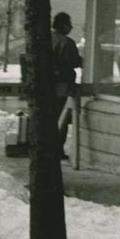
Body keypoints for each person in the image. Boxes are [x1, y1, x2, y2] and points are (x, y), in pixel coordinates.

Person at [52, 11, 82, 160]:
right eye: (69, 24)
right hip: (62, 85)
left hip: (48, 85)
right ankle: (58, 149)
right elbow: (74, 62)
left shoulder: (47, 39)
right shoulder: (66, 42)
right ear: (63, 25)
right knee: (61, 117)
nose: (70, 27)